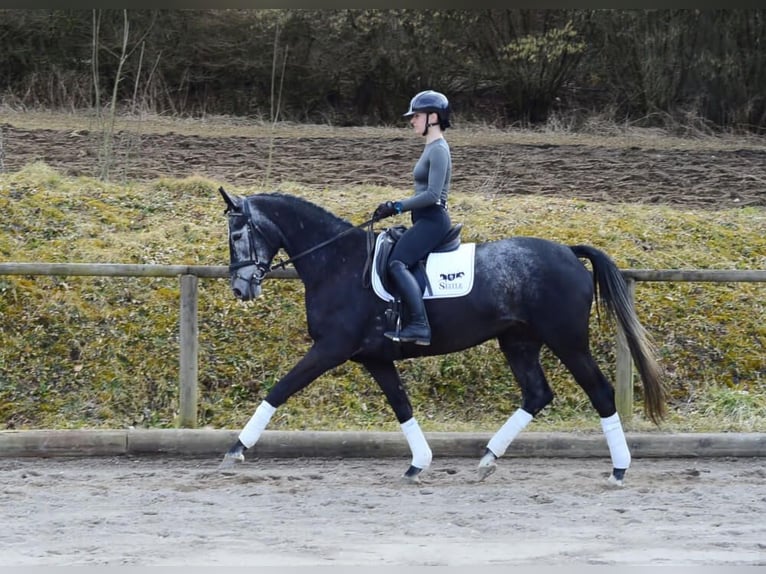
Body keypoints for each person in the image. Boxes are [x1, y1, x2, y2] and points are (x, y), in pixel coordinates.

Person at [372, 89, 453, 346]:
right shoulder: (431, 147)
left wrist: (396, 206)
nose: (412, 120)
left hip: (433, 220)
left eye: (416, 115)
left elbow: (431, 195)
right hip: (423, 220)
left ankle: (419, 325)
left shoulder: (439, 149)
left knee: (397, 263)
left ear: (433, 117)